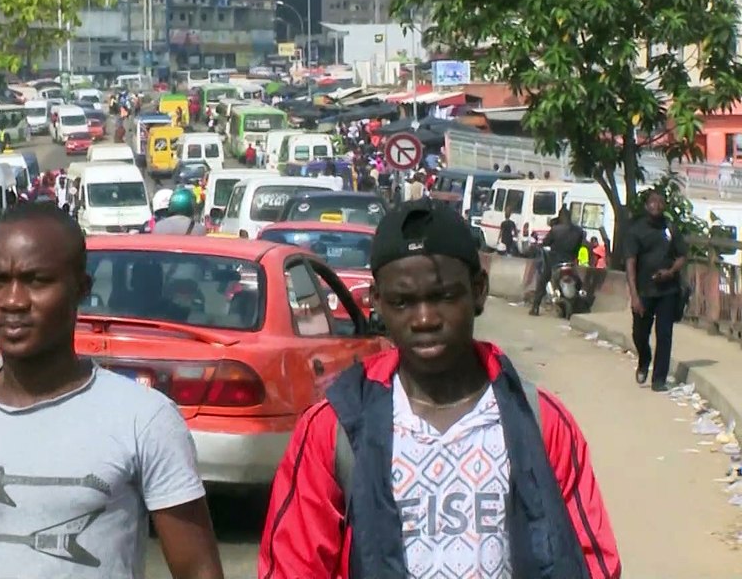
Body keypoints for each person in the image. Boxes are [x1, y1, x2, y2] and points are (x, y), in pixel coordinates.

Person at [259, 199, 620, 579]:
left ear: (478, 291)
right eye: (403, 302)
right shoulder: (335, 429)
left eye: (444, 296)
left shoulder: (540, 422)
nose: (425, 319)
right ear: (378, 302)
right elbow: (292, 565)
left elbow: (591, 562)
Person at [0, 203, 224, 579]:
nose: (13, 301)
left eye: (36, 281)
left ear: (81, 289)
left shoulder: (144, 419)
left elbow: (198, 569)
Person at [625, 190, 688, 391]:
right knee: (639, 333)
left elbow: (682, 256)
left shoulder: (670, 228)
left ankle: (659, 379)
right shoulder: (636, 231)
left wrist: (670, 272)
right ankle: (644, 359)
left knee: (665, 334)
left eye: (661, 202)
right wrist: (634, 295)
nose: (657, 205)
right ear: (647, 206)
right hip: (643, 291)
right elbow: (630, 263)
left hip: (667, 291)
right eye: (653, 202)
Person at [530, 208, 586, 316]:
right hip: (570, 262)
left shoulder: (555, 230)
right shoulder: (578, 231)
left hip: (555, 261)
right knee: (578, 282)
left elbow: (545, 242)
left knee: (543, 280)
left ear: (561, 217)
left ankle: (535, 307)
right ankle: (581, 303)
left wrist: (539, 246)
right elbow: (578, 246)